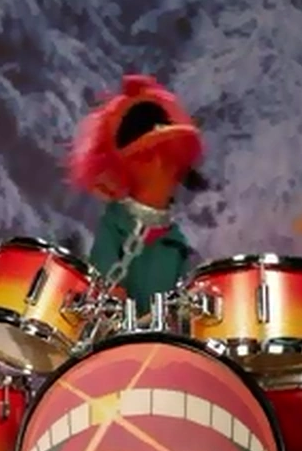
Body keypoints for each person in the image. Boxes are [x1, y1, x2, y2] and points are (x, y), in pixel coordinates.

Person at [69, 74, 208, 310]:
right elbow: (105, 288)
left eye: (170, 160)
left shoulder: (177, 246)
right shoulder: (114, 226)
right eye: (152, 157)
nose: (165, 167)